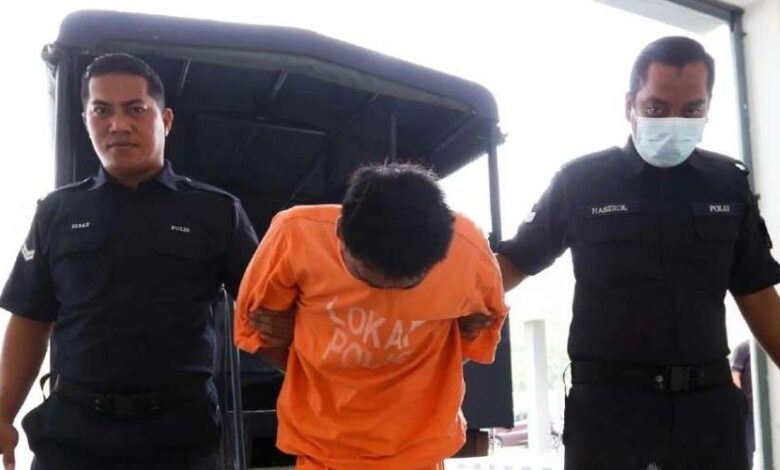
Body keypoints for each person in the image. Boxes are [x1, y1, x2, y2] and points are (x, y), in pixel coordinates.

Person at [496, 36, 780, 469]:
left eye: (691, 111)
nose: (674, 122)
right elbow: (513, 263)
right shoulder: (582, 183)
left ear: (708, 107)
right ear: (630, 105)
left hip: (709, 412)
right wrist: (429, 300)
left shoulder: (727, 185)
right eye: (657, 108)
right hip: (610, 414)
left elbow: (757, 293)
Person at [0, 53, 258, 470]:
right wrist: (3, 412)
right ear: (85, 120)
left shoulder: (217, 212)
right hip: (73, 438)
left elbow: (267, 311)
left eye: (135, 109)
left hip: (179, 439)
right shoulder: (56, 212)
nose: (118, 124)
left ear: (166, 120)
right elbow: (31, 318)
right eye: (101, 110)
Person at [234, 163, 507, 470]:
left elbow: (471, 341)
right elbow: (260, 332)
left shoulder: (468, 250)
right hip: (322, 452)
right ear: (340, 232)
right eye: (368, 279)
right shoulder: (294, 236)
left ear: (444, 251)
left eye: (407, 285)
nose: (384, 295)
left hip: (418, 452)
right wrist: (308, 353)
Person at [731, 339, 755, 468]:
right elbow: (735, 375)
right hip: (749, 412)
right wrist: (740, 403)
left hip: (768, 410)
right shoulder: (745, 348)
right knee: (746, 452)